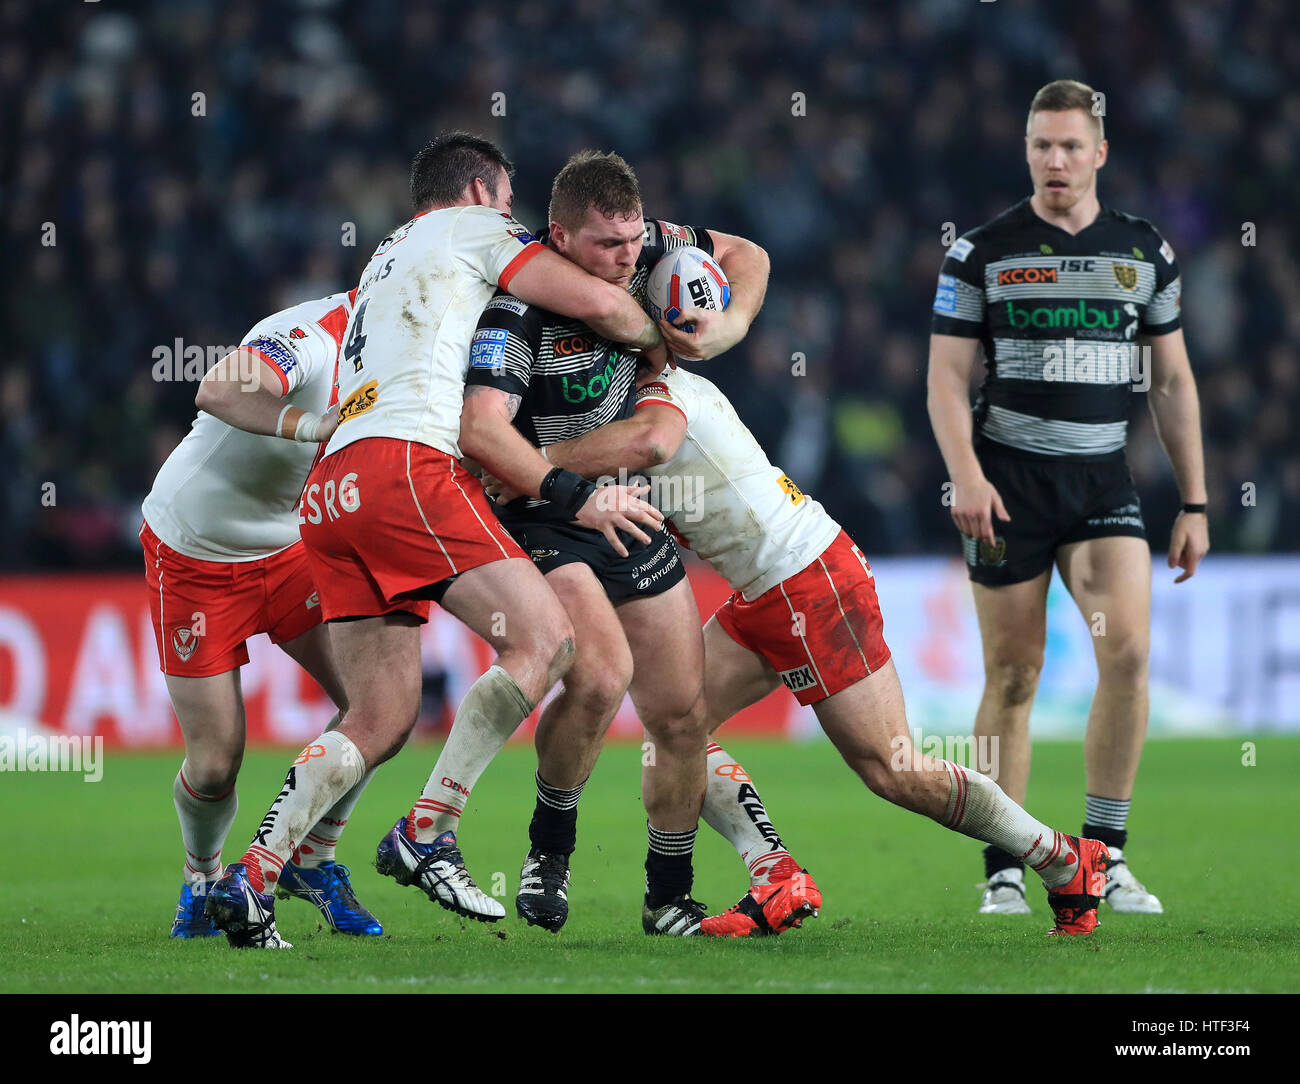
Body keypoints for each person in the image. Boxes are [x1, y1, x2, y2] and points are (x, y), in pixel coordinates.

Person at [204, 132, 666, 948]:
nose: (516, 218)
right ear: (483, 190)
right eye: (512, 201)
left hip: (330, 489)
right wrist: (662, 333)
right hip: (407, 464)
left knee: (380, 714)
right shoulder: (473, 229)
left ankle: (248, 881)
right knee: (546, 640)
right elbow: (597, 303)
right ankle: (430, 828)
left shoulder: (383, 256)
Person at [540, 360, 1111, 937]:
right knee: (675, 726)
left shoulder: (660, 395)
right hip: (766, 589)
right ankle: (773, 872)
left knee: (894, 769)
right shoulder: (629, 402)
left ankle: (1064, 859)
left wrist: (534, 466)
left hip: (809, 581)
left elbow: (650, 442)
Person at [440, 150, 769, 936]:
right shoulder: (516, 312)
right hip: (539, 516)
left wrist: (729, 326)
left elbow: (749, 255)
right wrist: (555, 484)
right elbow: (480, 432)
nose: (628, 260)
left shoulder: (652, 246)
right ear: (558, 237)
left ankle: (668, 897)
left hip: (624, 507)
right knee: (599, 678)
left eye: (633, 243)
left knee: (682, 717)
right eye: (606, 247)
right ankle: (549, 848)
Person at [926, 79, 1209, 915]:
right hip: (1006, 487)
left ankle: (1105, 855)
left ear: (1100, 154)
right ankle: (1006, 864)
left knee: (1125, 654)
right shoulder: (981, 252)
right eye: (1041, 145)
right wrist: (967, 476)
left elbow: (1174, 380)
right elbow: (945, 381)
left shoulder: (1144, 252)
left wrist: (1194, 502)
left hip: (1101, 485)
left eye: (1070, 146)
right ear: (1026, 151)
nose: (1055, 160)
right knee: (1013, 675)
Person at [142, 288, 385, 939]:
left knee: (376, 707)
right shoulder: (314, 333)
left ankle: (312, 857)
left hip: (291, 549)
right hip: (194, 550)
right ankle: (201, 880)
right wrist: (312, 425)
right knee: (218, 761)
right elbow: (219, 390)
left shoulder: (415, 355)